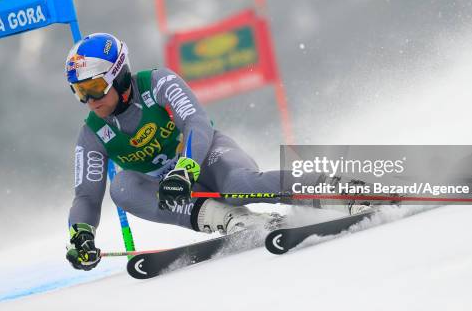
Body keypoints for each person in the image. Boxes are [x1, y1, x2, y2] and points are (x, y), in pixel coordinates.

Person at [64, 33, 367, 271]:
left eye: (94, 87)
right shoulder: (92, 132)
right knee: (122, 187)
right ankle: (236, 221)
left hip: (209, 158)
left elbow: (195, 121)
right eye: (79, 92)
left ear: (118, 76)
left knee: (238, 186)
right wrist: (81, 234)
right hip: (180, 192)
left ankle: (342, 191)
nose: (89, 100)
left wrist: (186, 167)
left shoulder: (156, 83)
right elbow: (87, 197)